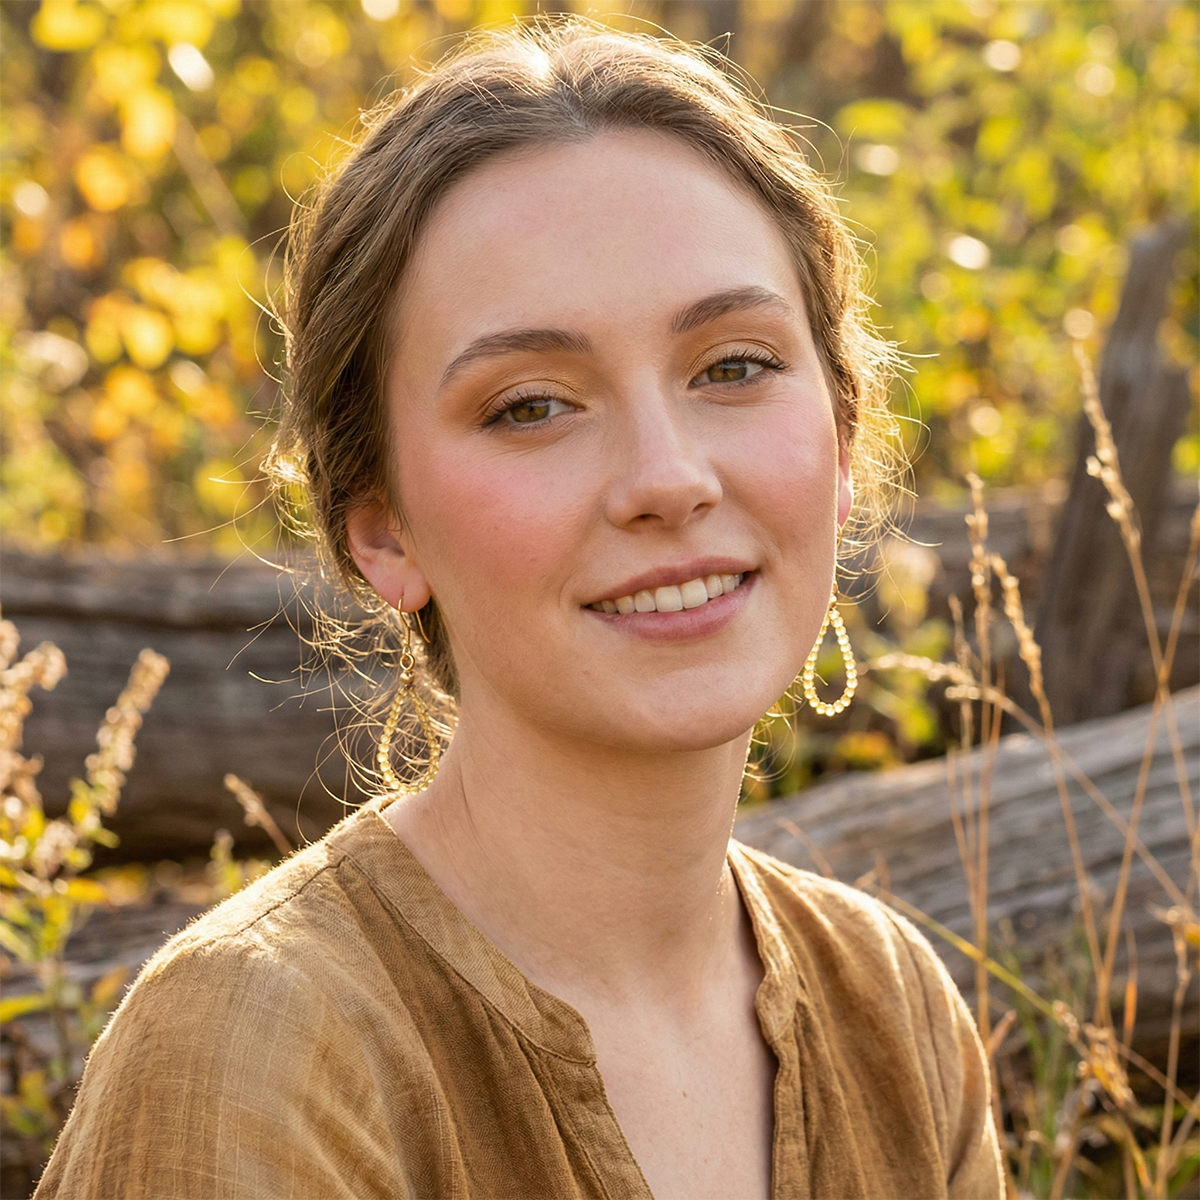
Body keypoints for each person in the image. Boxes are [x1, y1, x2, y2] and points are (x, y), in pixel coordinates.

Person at [35, 20, 1003, 1200]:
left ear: (843, 438)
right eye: (533, 405)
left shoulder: (889, 1010)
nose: (667, 478)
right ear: (380, 527)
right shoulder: (261, 1051)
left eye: (733, 366)